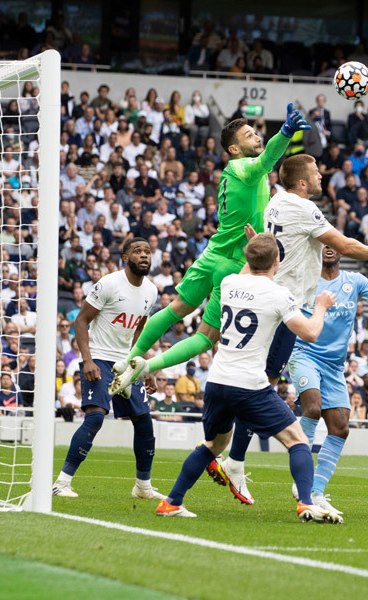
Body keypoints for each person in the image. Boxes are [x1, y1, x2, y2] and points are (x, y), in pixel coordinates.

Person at [215, 154, 368, 491]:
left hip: (273, 299)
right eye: (315, 173)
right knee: (260, 385)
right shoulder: (302, 207)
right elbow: (342, 244)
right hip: (284, 306)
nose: (320, 177)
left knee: (261, 382)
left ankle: (233, 458)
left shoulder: (275, 201)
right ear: (301, 182)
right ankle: (234, 458)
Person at [109, 104, 310, 396]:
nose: (256, 137)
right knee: (205, 338)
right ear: (234, 149)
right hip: (234, 263)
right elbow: (267, 161)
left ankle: (128, 360)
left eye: (256, 133)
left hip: (212, 252)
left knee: (176, 309)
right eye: (249, 135)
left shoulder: (229, 172)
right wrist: (285, 133)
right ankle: (145, 366)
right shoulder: (245, 169)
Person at [155, 233, 340, 523]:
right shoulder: (279, 294)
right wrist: (321, 307)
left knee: (214, 446)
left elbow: (249, 267)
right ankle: (306, 503)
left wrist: (255, 245)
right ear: (278, 261)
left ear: (248, 257)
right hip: (250, 384)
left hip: (217, 381)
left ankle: (171, 502)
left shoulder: (230, 283)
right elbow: (310, 333)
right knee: (298, 440)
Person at [284, 244, 368, 517]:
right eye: (323, 244)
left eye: (334, 243)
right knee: (312, 408)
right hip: (304, 353)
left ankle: (317, 493)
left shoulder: (354, 281)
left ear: (343, 251)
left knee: (341, 427)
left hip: (334, 366)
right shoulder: (305, 278)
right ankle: (303, 483)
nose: (329, 247)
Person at [51, 238, 162, 500]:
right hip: (99, 358)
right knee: (96, 417)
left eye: (147, 251)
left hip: (126, 362)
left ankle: (143, 487)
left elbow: (139, 331)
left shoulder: (151, 291)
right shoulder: (110, 283)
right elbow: (80, 321)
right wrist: (87, 360)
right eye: (137, 251)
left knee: (144, 423)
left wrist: (144, 367)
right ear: (125, 257)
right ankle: (61, 483)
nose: (144, 255)